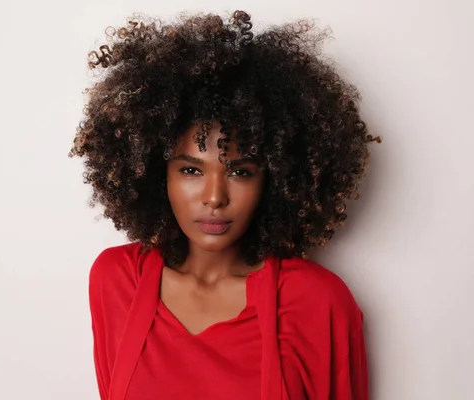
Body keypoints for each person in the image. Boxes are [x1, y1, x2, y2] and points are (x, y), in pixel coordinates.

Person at [70, 9, 381, 400]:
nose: (215, 197)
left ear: (276, 179)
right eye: (191, 171)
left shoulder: (317, 302)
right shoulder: (117, 281)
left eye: (240, 172)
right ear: (154, 174)